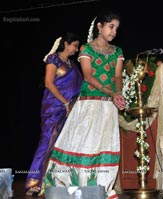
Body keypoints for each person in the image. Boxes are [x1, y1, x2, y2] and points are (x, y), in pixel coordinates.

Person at [42, 11, 125, 199]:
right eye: (111, 27)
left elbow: (118, 76)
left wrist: (118, 93)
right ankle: (72, 186)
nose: (113, 32)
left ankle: (101, 187)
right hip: (89, 104)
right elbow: (88, 76)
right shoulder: (86, 49)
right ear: (100, 27)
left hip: (108, 105)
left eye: (116, 29)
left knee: (104, 144)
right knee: (85, 144)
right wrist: (111, 92)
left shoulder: (118, 51)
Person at [25, 32, 83, 196]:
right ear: (66, 43)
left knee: (63, 147)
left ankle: (54, 182)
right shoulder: (53, 60)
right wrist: (65, 102)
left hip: (69, 111)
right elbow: (49, 83)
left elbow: (79, 87)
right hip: (53, 109)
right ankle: (34, 183)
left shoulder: (72, 65)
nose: (76, 50)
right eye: (74, 46)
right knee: (46, 144)